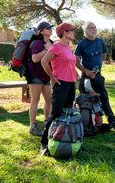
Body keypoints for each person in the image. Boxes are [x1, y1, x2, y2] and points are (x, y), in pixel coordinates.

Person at [75, 21, 115, 130]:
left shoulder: (100, 42)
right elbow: (76, 62)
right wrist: (86, 71)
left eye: (95, 27)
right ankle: (83, 124)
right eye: (91, 28)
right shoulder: (81, 44)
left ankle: (113, 122)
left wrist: (97, 69)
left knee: (104, 99)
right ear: (86, 31)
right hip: (86, 77)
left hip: (98, 76)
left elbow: (103, 56)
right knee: (84, 101)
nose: (94, 29)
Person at [40, 22, 78, 155]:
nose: (73, 33)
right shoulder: (56, 46)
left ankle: (62, 139)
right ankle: (44, 142)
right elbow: (44, 61)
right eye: (71, 31)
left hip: (70, 83)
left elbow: (70, 63)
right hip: (60, 83)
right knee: (56, 113)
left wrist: (75, 74)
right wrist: (52, 77)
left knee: (67, 112)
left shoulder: (68, 46)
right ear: (65, 32)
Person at [26, 21, 54, 136]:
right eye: (48, 28)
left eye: (51, 27)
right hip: (35, 75)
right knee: (35, 100)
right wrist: (46, 50)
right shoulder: (37, 43)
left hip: (46, 75)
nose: (50, 29)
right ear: (41, 31)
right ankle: (33, 126)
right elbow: (35, 59)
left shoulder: (51, 42)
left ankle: (47, 123)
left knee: (49, 100)